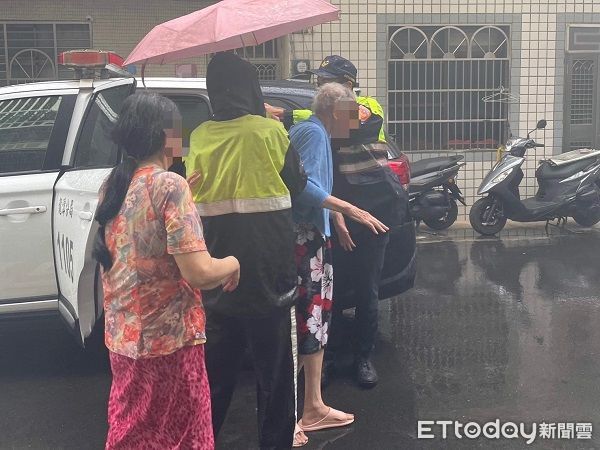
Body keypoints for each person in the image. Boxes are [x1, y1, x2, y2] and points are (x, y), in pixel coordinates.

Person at [93, 92, 240, 450]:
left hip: (124, 340)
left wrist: (181, 199)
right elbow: (200, 272)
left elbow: (138, 239)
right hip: (170, 342)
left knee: (133, 432)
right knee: (185, 436)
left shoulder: (113, 184)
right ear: (165, 135)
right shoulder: (168, 185)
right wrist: (234, 263)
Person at [186, 52, 307, 450]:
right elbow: (297, 184)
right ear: (251, 89)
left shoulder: (200, 135)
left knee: (216, 376)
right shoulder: (269, 132)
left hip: (217, 272)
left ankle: (204, 442)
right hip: (268, 273)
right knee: (274, 377)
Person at [267, 55, 410, 389]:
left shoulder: (366, 107)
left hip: (372, 214)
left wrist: (286, 112)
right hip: (335, 213)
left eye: (326, 81)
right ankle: (327, 358)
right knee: (331, 292)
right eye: (319, 81)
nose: (319, 86)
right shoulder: (323, 125)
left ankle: (363, 358)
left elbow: (342, 116)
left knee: (366, 290)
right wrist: (337, 217)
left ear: (347, 83)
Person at [288, 82, 389, 445]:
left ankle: (311, 405)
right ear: (334, 112)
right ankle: (305, 411)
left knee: (307, 319)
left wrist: (337, 218)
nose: (355, 120)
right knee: (310, 319)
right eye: (350, 113)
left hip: (306, 233)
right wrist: (349, 209)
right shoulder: (314, 135)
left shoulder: (308, 131)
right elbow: (304, 189)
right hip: (305, 238)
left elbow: (311, 184)